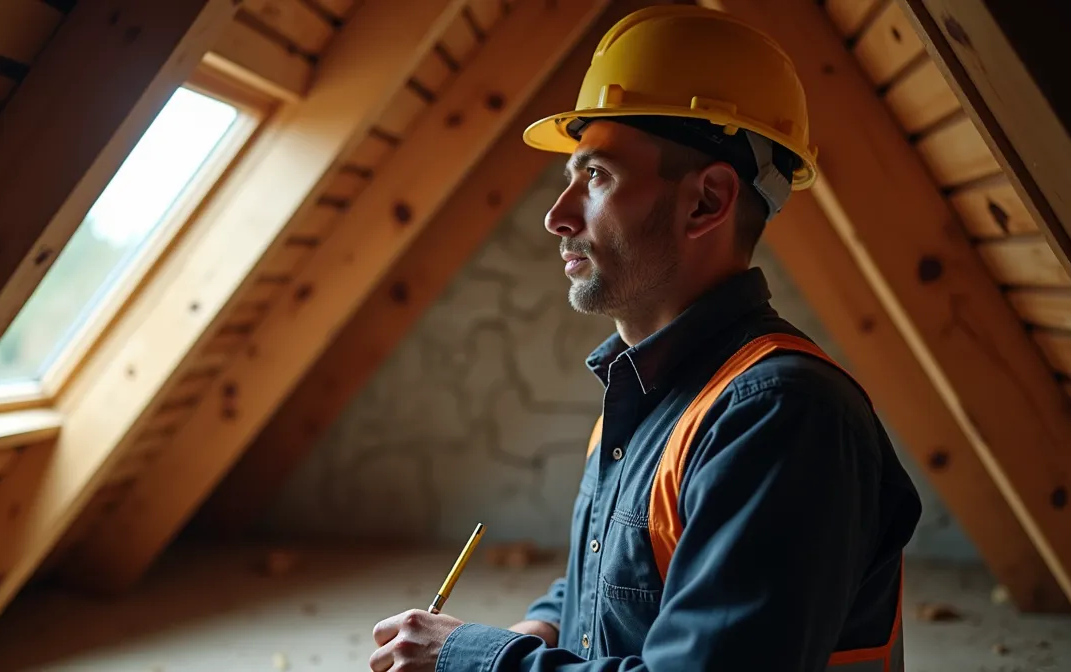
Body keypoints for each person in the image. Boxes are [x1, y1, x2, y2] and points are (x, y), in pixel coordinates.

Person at [368, 5, 921, 671]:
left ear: (706, 203)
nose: (557, 215)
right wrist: (541, 628)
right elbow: (618, 580)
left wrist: (472, 658)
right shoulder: (650, 392)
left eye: (596, 176)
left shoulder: (780, 414)